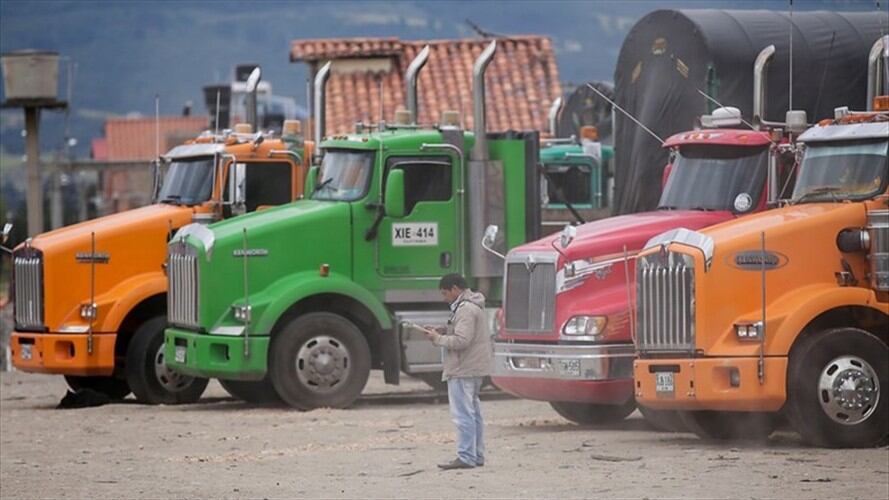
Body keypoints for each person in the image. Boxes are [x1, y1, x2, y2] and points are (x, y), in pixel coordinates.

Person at [421, 273, 493, 470]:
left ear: (455, 289)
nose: (444, 298)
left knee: (463, 414)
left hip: (463, 368)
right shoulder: (472, 306)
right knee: (473, 413)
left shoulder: (465, 310)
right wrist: (443, 330)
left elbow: (462, 341)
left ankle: (466, 456)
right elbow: (463, 333)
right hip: (473, 367)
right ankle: (476, 454)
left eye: (445, 293)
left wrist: (437, 339)